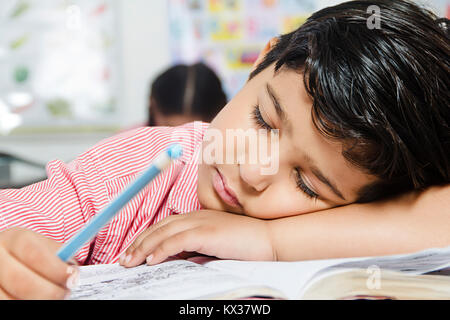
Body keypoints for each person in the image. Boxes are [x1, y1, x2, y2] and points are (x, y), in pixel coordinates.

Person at [0, 0, 448, 299]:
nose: (254, 172)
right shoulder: (142, 165)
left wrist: (271, 242)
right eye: (263, 121)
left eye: (308, 183)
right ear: (262, 59)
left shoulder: (371, 213)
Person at [148, 62, 227, 127]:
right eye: (170, 128)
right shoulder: (136, 141)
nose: (180, 143)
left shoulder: (231, 139)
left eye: (194, 133)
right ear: (153, 108)